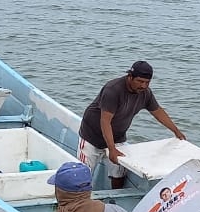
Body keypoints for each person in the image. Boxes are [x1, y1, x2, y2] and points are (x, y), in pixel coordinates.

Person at [77, 61, 185, 189]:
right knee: (81, 176)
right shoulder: (113, 90)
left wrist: (177, 132)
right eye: (140, 81)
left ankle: (115, 199)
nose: (143, 86)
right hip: (92, 136)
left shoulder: (146, 93)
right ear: (130, 77)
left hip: (118, 137)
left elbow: (158, 112)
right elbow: (105, 121)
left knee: (119, 172)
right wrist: (111, 149)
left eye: (147, 82)